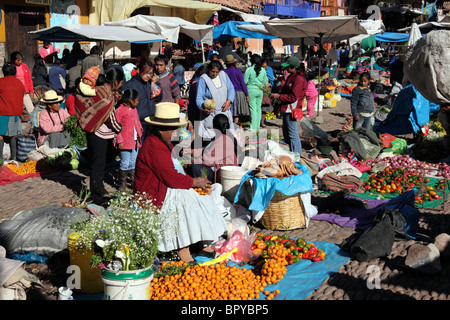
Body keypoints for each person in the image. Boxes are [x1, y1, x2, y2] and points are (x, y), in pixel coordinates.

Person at [133, 102, 228, 263]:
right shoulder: (154, 146)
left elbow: (176, 171)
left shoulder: (163, 142)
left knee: (200, 199)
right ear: (163, 129)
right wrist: (193, 181)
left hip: (164, 186)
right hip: (153, 194)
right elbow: (170, 177)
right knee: (182, 203)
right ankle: (182, 249)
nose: (176, 133)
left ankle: (201, 242)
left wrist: (193, 182)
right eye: (174, 130)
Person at [74, 67, 124, 205]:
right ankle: (98, 191)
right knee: (98, 164)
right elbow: (109, 117)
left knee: (99, 161)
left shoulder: (97, 89)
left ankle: (97, 188)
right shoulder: (106, 95)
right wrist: (120, 128)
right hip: (99, 133)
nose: (120, 86)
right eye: (120, 84)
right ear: (115, 83)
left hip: (94, 131)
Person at [270, 56, 307, 154]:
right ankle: (290, 151)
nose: (286, 69)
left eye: (288, 67)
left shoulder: (299, 79)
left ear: (294, 67)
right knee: (286, 131)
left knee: (292, 133)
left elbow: (293, 97)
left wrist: (279, 96)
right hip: (286, 107)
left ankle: (297, 154)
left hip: (291, 109)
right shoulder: (291, 76)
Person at [188, 113, 238, 182]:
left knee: (196, 167)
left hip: (222, 174)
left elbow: (208, 158)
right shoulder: (220, 137)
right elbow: (207, 149)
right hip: (214, 167)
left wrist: (192, 161)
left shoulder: (225, 140)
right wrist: (191, 151)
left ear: (215, 126)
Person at [121, 61, 163, 141]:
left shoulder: (151, 84)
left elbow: (159, 98)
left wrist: (157, 84)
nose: (148, 76)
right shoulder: (130, 85)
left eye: (150, 73)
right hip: (137, 122)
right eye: (146, 73)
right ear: (139, 70)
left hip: (150, 121)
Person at [196, 60, 235, 140]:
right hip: (210, 115)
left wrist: (229, 100)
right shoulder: (203, 79)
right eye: (212, 72)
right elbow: (199, 97)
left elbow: (231, 89)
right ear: (208, 70)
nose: (215, 74)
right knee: (211, 138)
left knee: (227, 137)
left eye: (217, 72)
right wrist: (203, 108)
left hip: (224, 112)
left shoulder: (224, 75)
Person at [115, 88, 143, 192]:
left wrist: (140, 129)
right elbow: (116, 128)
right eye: (137, 100)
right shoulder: (119, 111)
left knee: (133, 161)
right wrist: (119, 141)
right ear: (131, 101)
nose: (138, 102)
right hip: (125, 141)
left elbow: (138, 121)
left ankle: (133, 181)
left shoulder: (134, 110)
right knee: (125, 162)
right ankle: (122, 183)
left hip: (135, 140)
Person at [0, 63, 25, 161]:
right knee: (13, 135)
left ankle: (0, 159)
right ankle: (14, 157)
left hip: (3, 112)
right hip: (16, 113)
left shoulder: (1, 82)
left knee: (0, 135)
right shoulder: (19, 83)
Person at [223, 54, 249, 125]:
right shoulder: (237, 72)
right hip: (238, 93)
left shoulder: (223, 72)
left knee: (228, 110)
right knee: (236, 112)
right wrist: (247, 94)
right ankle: (235, 126)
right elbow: (242, 84)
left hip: (226, 93)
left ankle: (228, 125)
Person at [244, 54, 267, 131]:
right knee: (258, 109)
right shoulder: (263, 70)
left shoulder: (249, 70)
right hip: (260, 91)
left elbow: (245, 81)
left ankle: (253, 127)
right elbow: (265, 82)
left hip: (251, 91)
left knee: (253, 109)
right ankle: (257, 127)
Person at [187, 64, 207, 132]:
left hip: (193, 111)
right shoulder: (198, 84)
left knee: (198, 135)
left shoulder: (194, 82)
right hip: (198, 112)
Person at [261, 58, 275, 127]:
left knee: (264, 107)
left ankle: (262, 121)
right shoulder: (259, 70)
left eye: (265, 66)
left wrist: (267, 86)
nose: (264, 68)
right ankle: (260, 121)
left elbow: (272, 81)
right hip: (259, 90)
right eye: (263, 66)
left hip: (266, 91)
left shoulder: (269, 70)